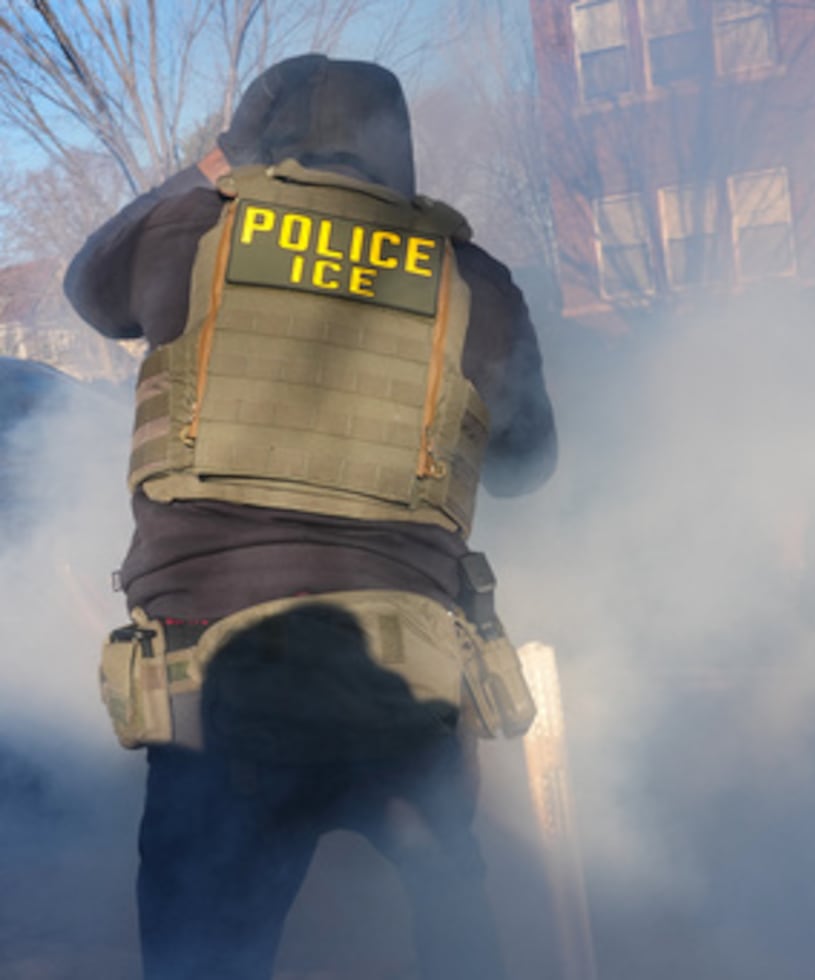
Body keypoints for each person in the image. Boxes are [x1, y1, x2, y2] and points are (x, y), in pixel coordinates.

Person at [64, 54, 556, 980]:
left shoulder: (189, 235)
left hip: (212, 684)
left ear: (256, 141)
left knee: (204, 956)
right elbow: (531, 465)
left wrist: (213, 165)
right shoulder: (470, 277)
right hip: (405, 680)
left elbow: (88, 289)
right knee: (456, 936)